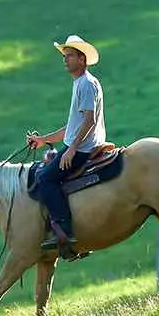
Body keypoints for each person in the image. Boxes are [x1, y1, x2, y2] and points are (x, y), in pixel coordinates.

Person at [25, 34, 106, 260]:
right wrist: (44, 139)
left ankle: (65, 231)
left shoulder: (87, 84)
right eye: (65, 56)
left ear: (82, 59)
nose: (65, 60)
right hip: (79, 145)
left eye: (70, 55)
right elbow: (73, 126)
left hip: (83, 149)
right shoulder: (80, 83)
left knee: (45, 179)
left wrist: (71, 149)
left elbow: (89, 121)